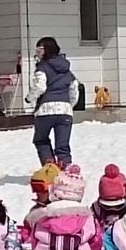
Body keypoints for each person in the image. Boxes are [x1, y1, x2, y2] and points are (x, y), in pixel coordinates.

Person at [31, 36, 76, 168]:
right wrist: (68, 105)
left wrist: (30, 98)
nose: (37, 53)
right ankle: (66, 169)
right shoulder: (67, 70)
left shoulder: (42, 68)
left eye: (39, 49)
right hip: (65, 111)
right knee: (63, 145)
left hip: (45, 110)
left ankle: (49, 166)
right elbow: (74, 89)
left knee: (41, 140)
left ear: (46, 50)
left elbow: (40, 87)